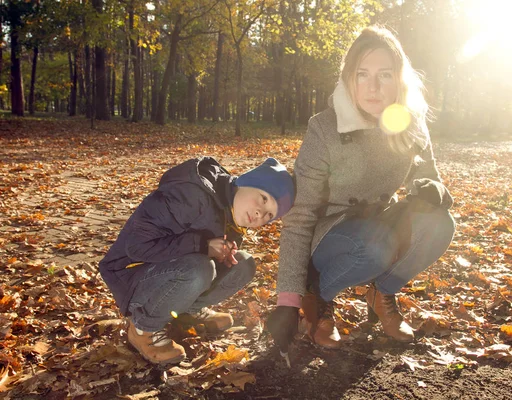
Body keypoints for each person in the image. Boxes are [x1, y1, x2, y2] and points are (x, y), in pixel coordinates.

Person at [266, 26, 455, 350]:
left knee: (440, 223)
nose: (373, 87)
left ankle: (382, 293)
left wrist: (430, 190)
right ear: (348, 79)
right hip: (331, 233)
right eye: (362, 74)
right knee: (375, 246)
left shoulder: (411, 123)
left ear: (399, 79)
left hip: (378, 220)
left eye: (384, 75)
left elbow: (426, 176)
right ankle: (319, 300)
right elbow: (300, 217)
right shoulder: (324, 128)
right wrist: (288, 299)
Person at [99, 156, 294, 365]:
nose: (259, 213)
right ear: (246, 182)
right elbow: (137, 246)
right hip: (131, 275)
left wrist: (219, 254)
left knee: (244, 263)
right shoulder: (192, 196)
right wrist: (202, 246)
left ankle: (186, 313)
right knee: (200, 269)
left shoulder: (231, 213)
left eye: (268, 215)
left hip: (170, 273)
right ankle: (143, 328)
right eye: (263, 198)